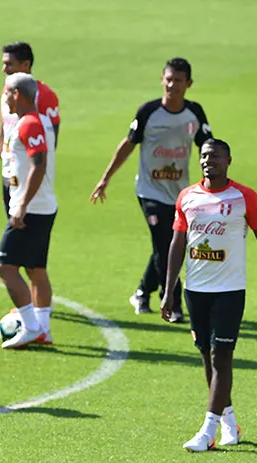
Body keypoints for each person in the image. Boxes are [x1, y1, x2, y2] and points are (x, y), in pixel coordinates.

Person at [161, 139, 257, 452]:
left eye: (215, 156)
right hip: (195, 290)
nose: (208, 161)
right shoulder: (187, 197)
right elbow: (177, 245)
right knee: (207, 356)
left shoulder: (244, 197)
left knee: (221, 358)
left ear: (228, 160)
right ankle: (229, 420)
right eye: (204, 156)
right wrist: (169, 290)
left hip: (229, 291)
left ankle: (207, 431)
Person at [91, 57, 212, 323]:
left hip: (179, 193)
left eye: (178, 80)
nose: (172, 85)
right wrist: (105, 178)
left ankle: (142, 291)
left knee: (165, 245)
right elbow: (128, 144)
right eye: (168, 79)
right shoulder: (148, 112)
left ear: (189, 84)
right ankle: (174, 304)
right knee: (167, 243)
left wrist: (212, 185)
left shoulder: (195, 113)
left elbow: (208, 148)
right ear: (162, 79)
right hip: (149, 191)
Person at [0, 73, 57, 349]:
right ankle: (43, 328)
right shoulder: (33, 122)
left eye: (6, 92)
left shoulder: (29, 124)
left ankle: (31, 327)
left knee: (6, 268)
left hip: (30, 210)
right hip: (41, 207)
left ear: (17, 95)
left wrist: (20, 205)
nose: (4, 97)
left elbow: (38, 165)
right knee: (36, 269)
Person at [0, 41, 60, 216]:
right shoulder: (8, 93)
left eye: (9, 64)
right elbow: (4, 132)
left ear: (26, 64)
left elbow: (51, 141)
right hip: (8, 176)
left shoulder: (44, 96)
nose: (4, 69)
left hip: (29, 181)